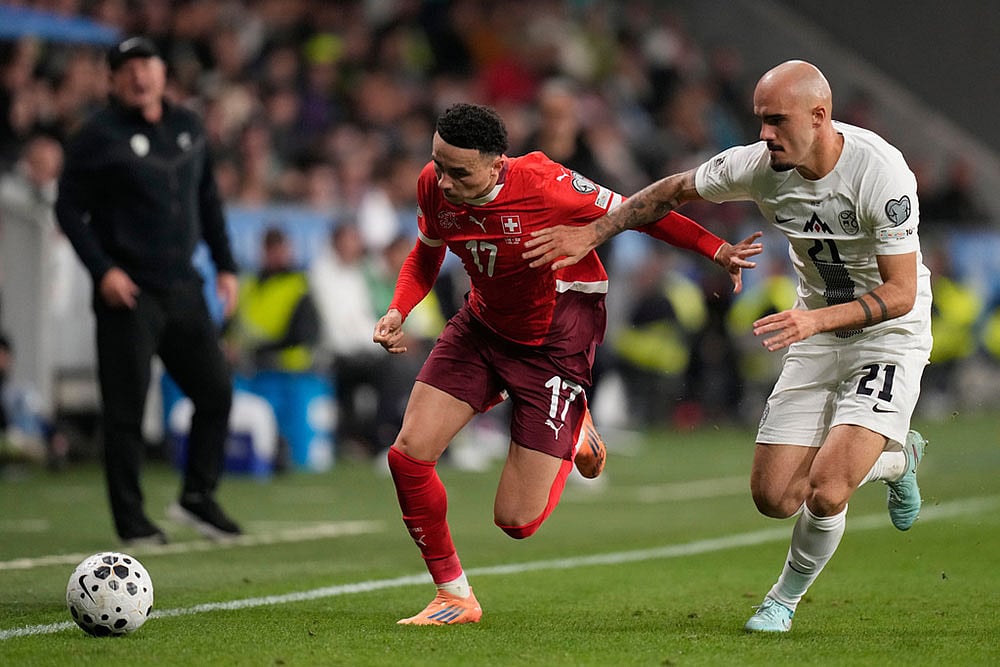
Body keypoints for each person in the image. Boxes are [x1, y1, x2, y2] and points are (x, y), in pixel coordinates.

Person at [524, 60, 932, 633]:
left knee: (829, 485)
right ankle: (896, 459)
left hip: (887, 333)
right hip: (811, 326)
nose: (764, 134)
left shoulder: (881, 174)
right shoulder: (760, 165)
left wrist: (814, 323)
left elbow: (901, 291)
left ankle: (781, 600)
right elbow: (670, 191)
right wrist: (592, 232)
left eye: (777, 121)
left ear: (820, 116)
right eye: (760, 120)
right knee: (774, 496)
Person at [372, 102, 762, 625]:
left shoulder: (544, 183)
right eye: (437, 164)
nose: (442, 181)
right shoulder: (433, 184)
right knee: (407, 456)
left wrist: (716, 250)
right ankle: (454, 595)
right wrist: (399, 309)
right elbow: (427, 250)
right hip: (482, 325)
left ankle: (577, 425)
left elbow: (639, 210)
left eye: (457, 172)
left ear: (496, 165)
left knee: (516, 521)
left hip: (554, 338)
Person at [55, 37, 242, 546]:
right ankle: (132, 520)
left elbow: (208, 199)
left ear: (164, 72)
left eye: (148, 64)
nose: (140, 76)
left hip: (182, 285)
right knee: (126, 411)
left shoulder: (187, 126)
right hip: (128, 292)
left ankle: (197, 497)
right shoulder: (96, 135)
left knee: (216, 392)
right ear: (113, 80)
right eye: (127, 68)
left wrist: (226, 266)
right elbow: (68, 210)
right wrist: (102, 270)